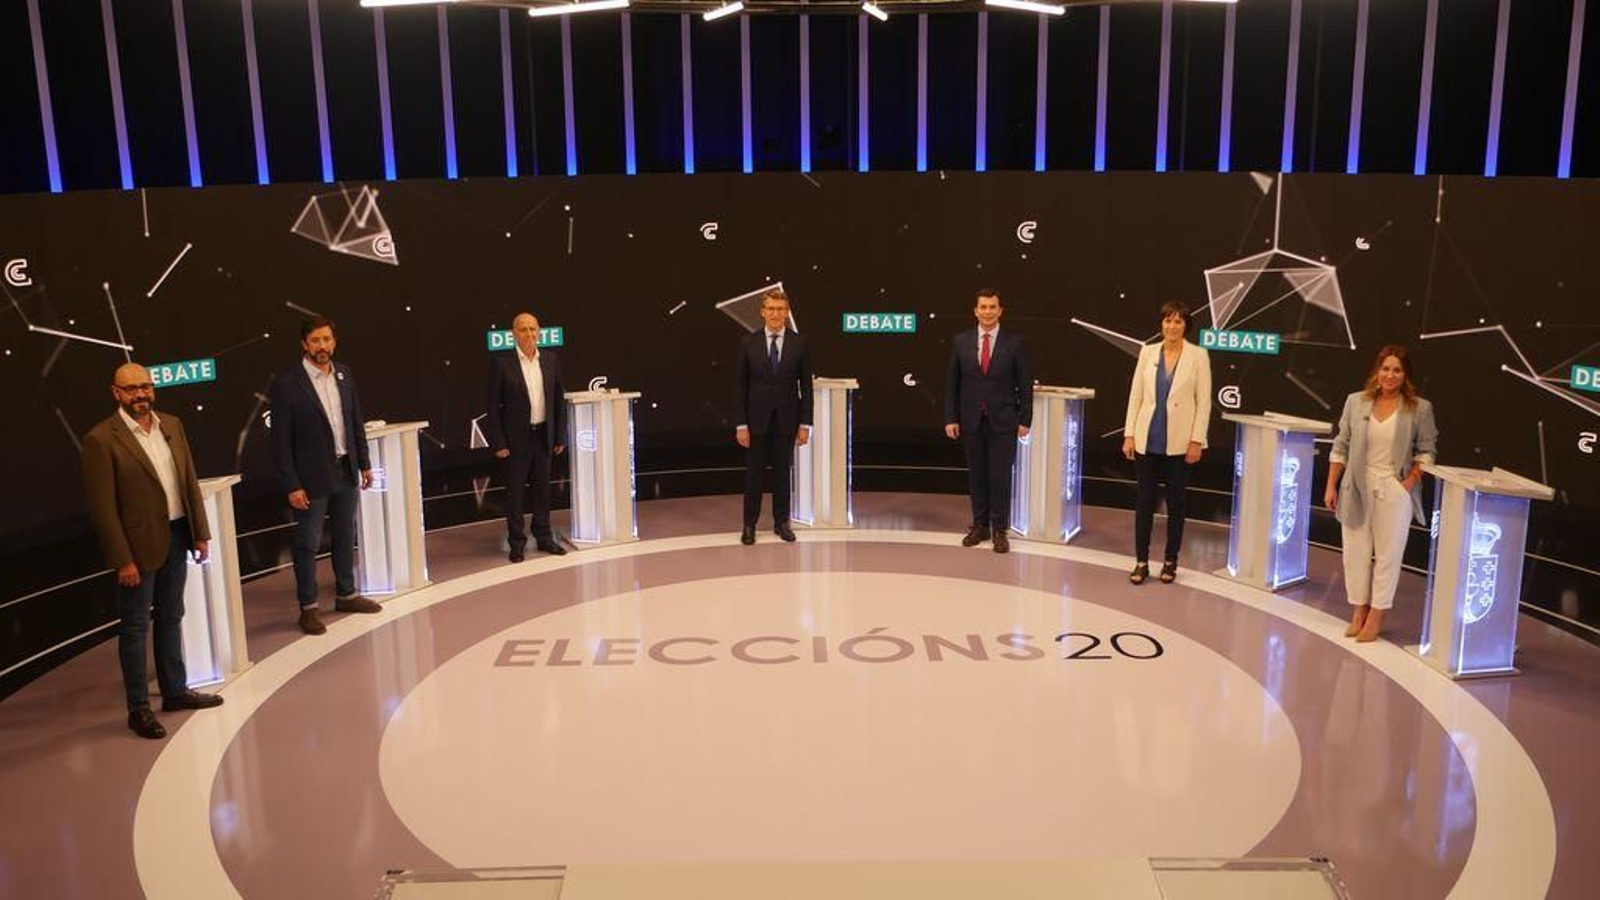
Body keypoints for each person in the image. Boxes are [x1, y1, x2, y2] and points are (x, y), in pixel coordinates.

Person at [82, 362, 223, 739]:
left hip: (178, 535)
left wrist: (200, 532)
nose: (140, 394)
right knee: (134, 628)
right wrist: (122, 559)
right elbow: (103, 509)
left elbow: (188, 480)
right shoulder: (101, 439)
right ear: (116, 393)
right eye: (131, 389)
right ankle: (139, 708)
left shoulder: (172, 425)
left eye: (145, 387)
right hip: (136, 549)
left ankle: (175, 691)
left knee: (172, 615)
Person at [269, 316, 382, 635]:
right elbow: (279, 442)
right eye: (316, 340)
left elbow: (355, 421)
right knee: (308, 542)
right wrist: (291, 484)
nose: (323, 346)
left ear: (334, 342)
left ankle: (346, 594)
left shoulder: (345, 374)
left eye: (327, 339)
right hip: (309, 477)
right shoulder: (287, 384)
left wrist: (364, 463)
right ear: (305, 344)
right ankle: (308, 608)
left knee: (346, 534)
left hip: (346, 468)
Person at [1325, 345, 1438, 642]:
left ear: (1405, 376)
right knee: (1355, 553)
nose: (1390, 375)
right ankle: (1358, 611)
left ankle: (1377, 614)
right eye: (1385, 368)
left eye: (1397, 370)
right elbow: (1341, 445)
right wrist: (1331, 485)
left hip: (1394, 489)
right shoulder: (1356, 402)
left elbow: (1427, 450)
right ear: (1377, 371)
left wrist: (1410, 482)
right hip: (1356, 487)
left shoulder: (1419, 408)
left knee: (1388, 556)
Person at [1122, 300, 1212, 584]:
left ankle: (1171, 561)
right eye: (1168, 321)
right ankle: (1141, 561)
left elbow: (1203, 403)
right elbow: (1136, 395)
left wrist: (1197, 440)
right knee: (1144, 502)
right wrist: (1129, 433)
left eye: (1178, 321)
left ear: (1186, 326)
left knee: (1176, 503)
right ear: (1161, 324)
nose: (1172, 326)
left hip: (1180, 443)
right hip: (1147, 440)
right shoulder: (1147, 352)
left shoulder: (1199, 356)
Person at [944, 288, 1033, 553]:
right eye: (983, 307)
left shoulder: (1015, 343)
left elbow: (1025, 385)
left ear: (1000, 310)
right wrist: (951, 418)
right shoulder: (961, 342)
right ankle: (979, 525)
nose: (987, 312)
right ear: (975, 310)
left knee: (1001, 477)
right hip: (971, 421)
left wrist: (1025, 418)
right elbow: (952, 383)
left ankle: (999, 530)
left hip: (1004, 422)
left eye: (992, 307)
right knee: (978, 476)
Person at [485, 312, 568, 562]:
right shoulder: (501, 364)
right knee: (516, 494)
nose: (529, 334)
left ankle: (544, 537)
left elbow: (558, 401)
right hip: (515, 440)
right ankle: (517, 543)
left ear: (539, 332)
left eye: (533, 329)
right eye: (523, 329)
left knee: (543, 491)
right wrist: (498, 442)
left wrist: (560, 436)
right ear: (514, 334)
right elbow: (492, 407)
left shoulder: (551, 360)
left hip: (544, 435)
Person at [734, 288, 813, 545]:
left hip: (787, 421)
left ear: (787, 312)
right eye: (771, 309)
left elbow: (806, 388)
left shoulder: (800, 343)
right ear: (763, 312)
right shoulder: (748, 343)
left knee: (782, 474)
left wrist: (805, 424)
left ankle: (782, 523)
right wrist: (741, 424)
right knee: (754, 475)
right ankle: (749, 525)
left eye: (780, 309)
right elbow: (740, 387)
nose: (776, 314)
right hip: (755, 421)